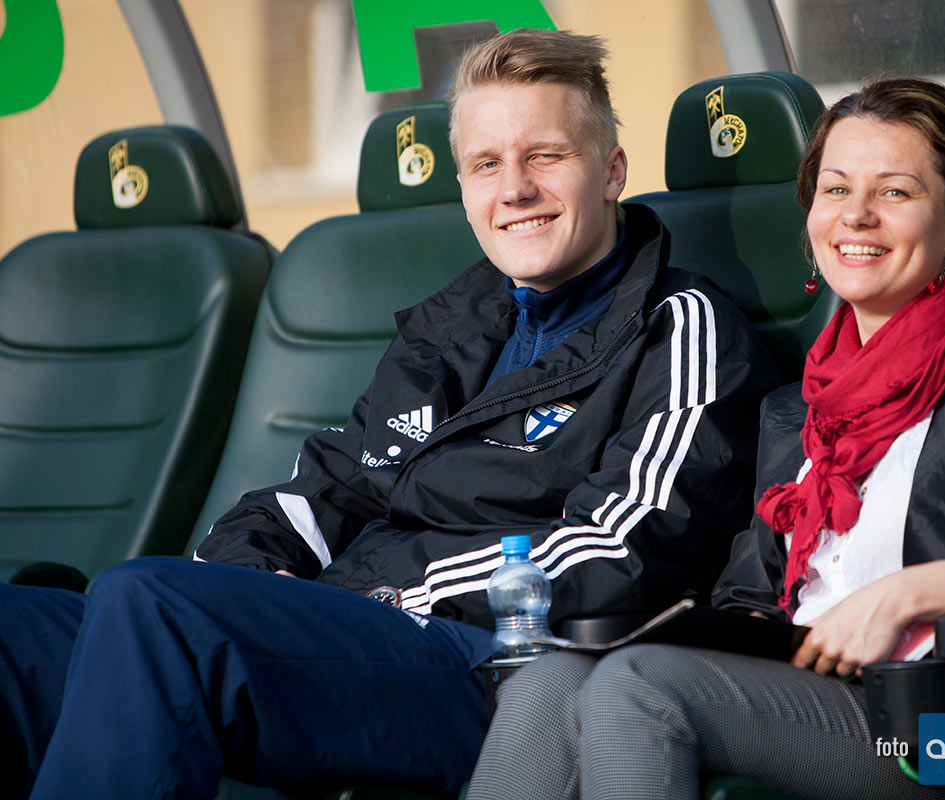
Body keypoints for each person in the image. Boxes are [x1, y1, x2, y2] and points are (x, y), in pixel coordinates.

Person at [0, 30, 778, 799]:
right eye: (486, 164)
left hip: (503, 670)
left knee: (151, 605)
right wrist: (247, 577)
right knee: (21, 627)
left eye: (545, 156)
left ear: (611, 172)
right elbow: (329, 486)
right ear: (464, 187)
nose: (514, 189)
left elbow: (621, 549)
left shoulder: (680, 327)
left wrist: (378, 596)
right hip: (365, 629)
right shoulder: (450, 328)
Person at [466, 78, 945, 800]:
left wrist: (903, 597)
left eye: (895, 192)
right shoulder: (797, 407)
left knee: (638, 686)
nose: (857, 215)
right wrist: (734, 626)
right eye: (836, 190)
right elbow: (746, 591)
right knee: (549, 680)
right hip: (806, 688)